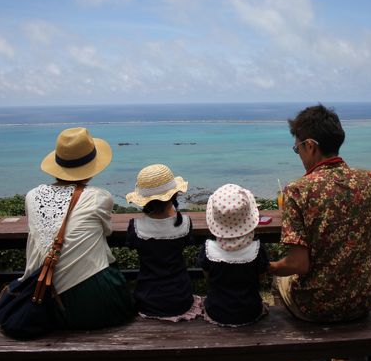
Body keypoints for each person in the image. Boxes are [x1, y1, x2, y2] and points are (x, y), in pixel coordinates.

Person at [268, 105, 371, 361]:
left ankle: (300, 359)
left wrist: (268, 267)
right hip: (361, 298)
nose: (298, 154)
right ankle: (341, 357)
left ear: (310, 146)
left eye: (297, 148)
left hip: (315, 306)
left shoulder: (298, 191)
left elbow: (298, 265)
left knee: (279, 279)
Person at [21, 127, 135, 329]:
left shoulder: (32, 196)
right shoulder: (99, 197)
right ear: (92, 166)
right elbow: (106, 231)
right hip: (95, 302)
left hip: (40, 300)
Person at [125, 164, 203, 321]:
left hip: (147, 299)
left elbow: (131, 243)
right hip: (180, 298)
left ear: (144, 202)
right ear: (174, 196)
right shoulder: (184, 224)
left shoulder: (136, 227)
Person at [198, 183, 270, 326]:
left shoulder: (208, 250)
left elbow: (207, 277)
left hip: (216, 311)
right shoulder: (256, 250)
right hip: (251, 311)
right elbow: (261, 277)